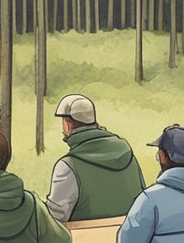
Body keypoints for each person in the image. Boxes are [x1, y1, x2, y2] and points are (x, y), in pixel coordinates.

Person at [45, 94, 145, 223]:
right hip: (130, 238)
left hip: (86, 240)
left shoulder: (67, 166)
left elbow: (55, 217)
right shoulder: (127, 153)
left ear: (68, 123)